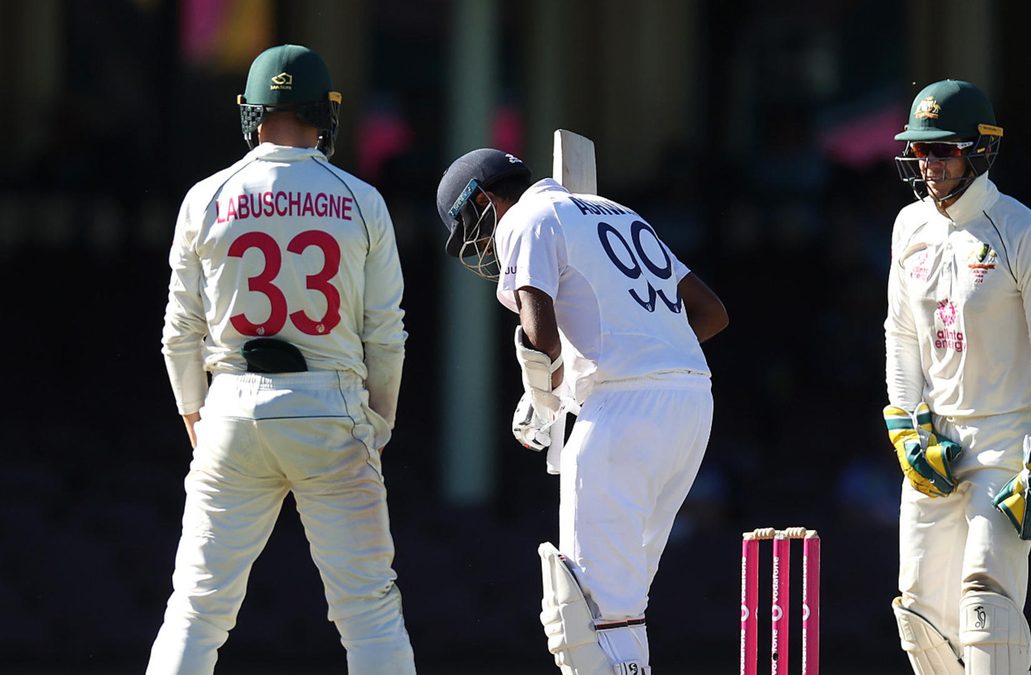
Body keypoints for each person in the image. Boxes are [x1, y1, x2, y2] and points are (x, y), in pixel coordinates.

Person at [148, 44, 417, 674]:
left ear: (253, 112)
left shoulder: (206, 197)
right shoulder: (360, 199)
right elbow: (386, 334)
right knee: (369, 610)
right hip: (332, 405)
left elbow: (179, 331)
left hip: (232, 403)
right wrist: (379, 419)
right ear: (324, 112)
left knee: (196, 607)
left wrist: (197, 413)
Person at [434, 148, 728, 674]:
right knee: (623, 600)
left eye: (472, 230)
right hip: (690, 400)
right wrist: (638, 357)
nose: (482, 247)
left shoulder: (525, 217)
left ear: (481, 200)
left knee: (581, 604)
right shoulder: (616, 210)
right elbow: (711, 314)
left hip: (622, 410)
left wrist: (543, 398)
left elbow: (539, 335)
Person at [882, 79, 1031, 675]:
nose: (930, 164)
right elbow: (901, 334)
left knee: (986, 600)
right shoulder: (908, 228)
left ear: (981, 150)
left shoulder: (1028, 235)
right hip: (935, 443)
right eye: (920, 151)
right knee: (919, 616)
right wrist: (904, 425)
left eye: (944, 150)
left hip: (1006, 446)